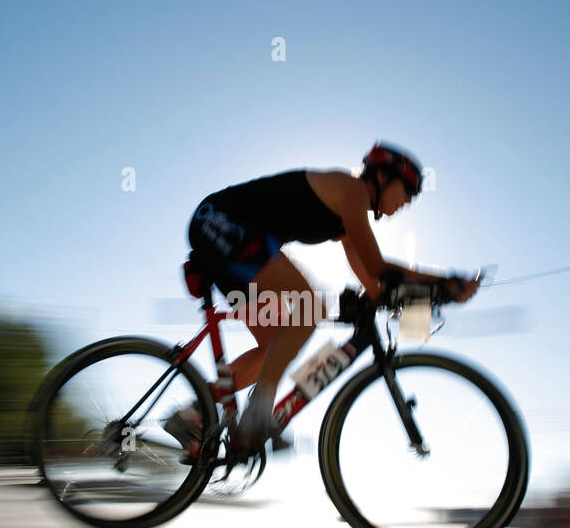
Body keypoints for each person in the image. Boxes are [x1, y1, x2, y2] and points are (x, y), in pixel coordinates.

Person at [164, 143, 480, 455]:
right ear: (383, 177)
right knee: (310, 306)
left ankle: (192, 415)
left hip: (232, 236)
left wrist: (427, 299)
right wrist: (446, 281)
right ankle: (257, 415)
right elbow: (377, 265)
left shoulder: (346, 219)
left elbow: (374, 285)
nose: (408, 202)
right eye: (408, 191)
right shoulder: (351, 190)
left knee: (274, 349)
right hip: (224, 220)